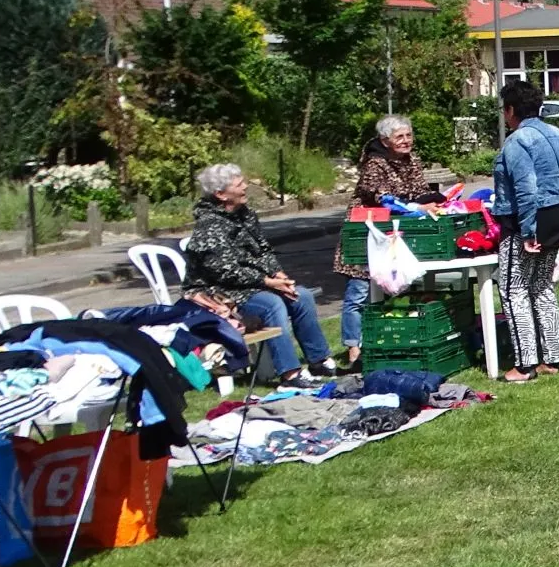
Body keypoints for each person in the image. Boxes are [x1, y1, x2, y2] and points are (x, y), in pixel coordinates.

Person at [182, 163, 340, 381]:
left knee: (301, 296)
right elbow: (226, 272)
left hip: (250, 285)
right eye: (239, 185)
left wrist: (278, 274)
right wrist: (267, 282)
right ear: (221, 194)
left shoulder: (245, 214)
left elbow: (263, 250)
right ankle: (290, 373)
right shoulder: (209, 225)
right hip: (218, 291)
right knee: (271, 304)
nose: (245, 187)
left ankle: (318, 360)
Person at [491, 80, 559, 383]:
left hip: (527, 220)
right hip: (557, 216)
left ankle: (525, 365)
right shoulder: (556, 133)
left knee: (514, 289)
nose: (505, 115)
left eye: (505, 109)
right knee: (542, 286)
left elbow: (526, 188)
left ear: (511, 110)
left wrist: (528, 231)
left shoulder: (518, 141)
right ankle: (554, 359)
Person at [330, 115, 446, 369]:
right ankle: (354, 348)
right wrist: (415, 207)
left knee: (393, 288)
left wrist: (437, 200)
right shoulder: (374, 164)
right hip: (366, 232)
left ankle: (385, 343)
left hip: (395, 233)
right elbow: (381, 197)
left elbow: (419, 190)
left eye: (409, 135)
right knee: (359, 290)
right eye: (399, 137)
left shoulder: (412, 160)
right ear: (385, 141)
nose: (406, 141)